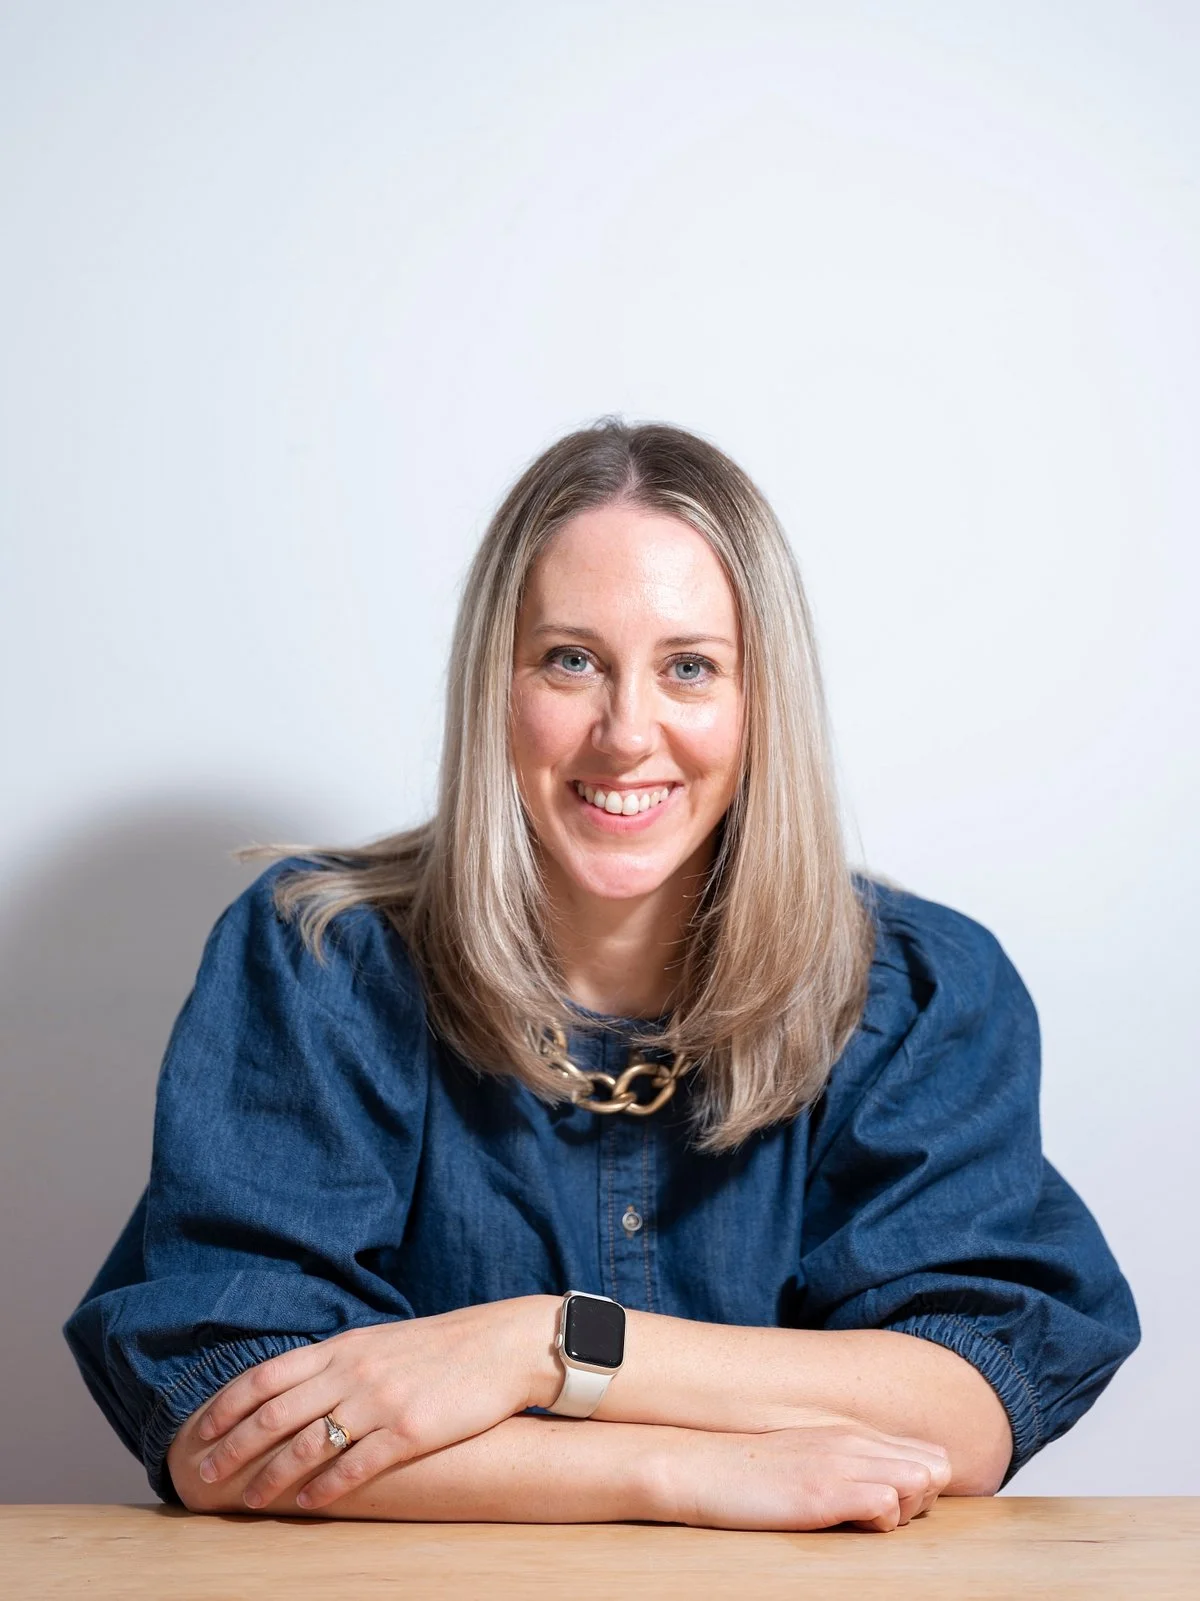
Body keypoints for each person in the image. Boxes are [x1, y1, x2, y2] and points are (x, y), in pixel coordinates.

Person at [63, 418, 1139, 1532]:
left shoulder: (919, 988)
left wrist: (539, 1343)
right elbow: (230, 1434)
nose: (627, 732)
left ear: (760, 699)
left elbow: (966, 1400)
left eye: (690, 667)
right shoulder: (319, 957)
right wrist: (671, 1471)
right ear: (498, 681)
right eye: (570, 659)